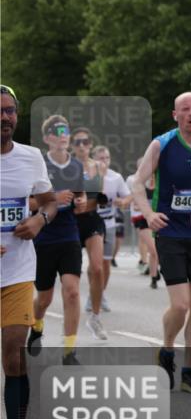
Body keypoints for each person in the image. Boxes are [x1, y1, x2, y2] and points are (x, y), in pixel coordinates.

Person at [132, 92, 191, 393]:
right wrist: (148, 214)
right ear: (175, 115)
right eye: (185, 110)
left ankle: (188, 370)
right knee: (181, 305)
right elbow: (137, 182)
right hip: (170, 233)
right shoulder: (162, 144)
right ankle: (167, 348)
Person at [1, 84, 56, 419]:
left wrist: (40, 219)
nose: (5, 117)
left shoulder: (31, 157)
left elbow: (49, 201)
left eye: (10, 111)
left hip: (16, 272)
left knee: (14, 354)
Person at [29, 114, 85, 365]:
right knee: (44, 298)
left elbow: (81, 197)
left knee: (72, 291)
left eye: (66, 131)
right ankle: (37, 325)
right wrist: (53, 198)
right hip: (44, 237)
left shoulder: (77, 166)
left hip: (69, 235)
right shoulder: (38, 164)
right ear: (47, 138)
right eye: (57, 131)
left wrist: (81, 202)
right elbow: (27, 202)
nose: (63, 135)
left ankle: (69, 351)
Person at [70, 127, 108, 340]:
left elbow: (100, 193)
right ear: (72, 146)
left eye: (85, 142)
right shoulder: (67, 167)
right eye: (78, 142)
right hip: (71, 222)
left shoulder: (99, 167)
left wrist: (102, 198)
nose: (82, 146)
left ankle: (95, 317)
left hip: (92, 219)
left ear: (91, 144)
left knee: (97, 267)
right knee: (72, 275)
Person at [89, 145, 130, 315]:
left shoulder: (116, 177)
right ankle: (93, 294)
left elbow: (128, 196)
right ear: (93, 160)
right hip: (91, 224)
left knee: (105, 263)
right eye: (100, 158)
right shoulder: (87, 177)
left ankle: (100, 293)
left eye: (107, 158)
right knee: (95, 264)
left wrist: (123, 202)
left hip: (109, 224)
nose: (104, 161)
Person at [127, 171, 159, 284]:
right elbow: (135, 206)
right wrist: (145, 208)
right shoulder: (140, 185)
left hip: (159, 219)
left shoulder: (161, 184)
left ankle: (154, 271)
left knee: (158, 249)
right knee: (153, 249)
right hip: (143, 219)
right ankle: (153, 277)